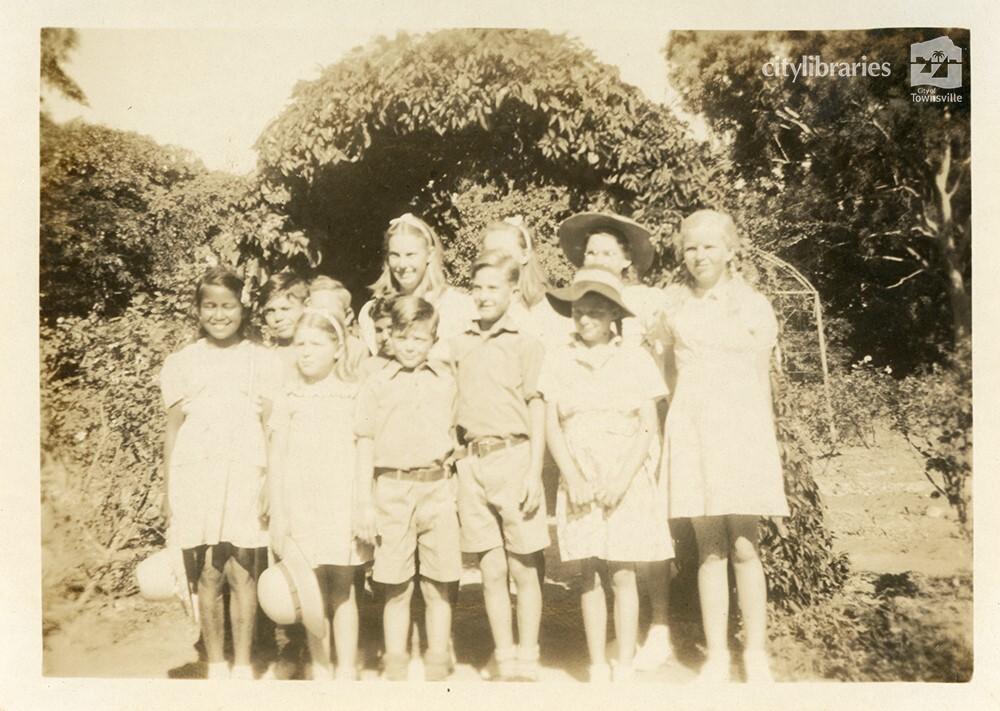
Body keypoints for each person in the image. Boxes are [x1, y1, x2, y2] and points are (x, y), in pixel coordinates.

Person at [659, 210, 789, 683]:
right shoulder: (673, 308)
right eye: (691, 247)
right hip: (693, 429)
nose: (700, 256)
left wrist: (762, 440)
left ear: (730, 251)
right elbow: (669, 376)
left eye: (710, 246)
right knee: (708, 549)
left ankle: (754, 653)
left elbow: (761, 380)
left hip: (741, 430)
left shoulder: (753, 306)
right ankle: (716, 655)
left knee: (743, 546)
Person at [539, 266, 674, 683]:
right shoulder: (559, 359)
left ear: (613, 315)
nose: (585, 319)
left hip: (625, 478)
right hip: (578, 476)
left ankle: (625, 663)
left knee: (623, 571)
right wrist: (574, 478)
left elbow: (649, 425)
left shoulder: (634, 358)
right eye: (580, 311)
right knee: (588, 572)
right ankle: (597, 661)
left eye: (596, 311)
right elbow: (551, 426)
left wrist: (622, 480)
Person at [160, 267, 282, 680]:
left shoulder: (260, 361)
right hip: (198, 477)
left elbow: (270, 427)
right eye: (210, 306)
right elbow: (174, 429)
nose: (219, 314)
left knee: (242, 570)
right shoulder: (183, 363)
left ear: (242, 308)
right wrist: (168, 490)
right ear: (197, 310)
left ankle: (244, 665)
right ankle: (215, 664)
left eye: (227, 306)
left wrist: (271, 482)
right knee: (209, 572)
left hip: (246, 475)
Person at [449, 250, 548, 681]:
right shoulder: (458, 343)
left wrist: (534, 472)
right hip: (473, 463)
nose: (484, 296)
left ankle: (529, 653)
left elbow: (538, 407)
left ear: (512, 290)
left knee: (524, 565)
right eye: (478, 287)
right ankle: (503, 654)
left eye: (494, 288)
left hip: (516, 458)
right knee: (490, 567)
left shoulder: (526, 344)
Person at [352, 296, 462, 681]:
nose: (410, 346)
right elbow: (364, 440)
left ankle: (436, 658)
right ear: (390, 338)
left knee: (439, 583)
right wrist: (364, 501)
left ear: (433, 339)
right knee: (395, 584)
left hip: (436, 489)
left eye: (419, 339)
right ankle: (395, 660)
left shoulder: (447, 380)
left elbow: (456, 435)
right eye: (402, 337)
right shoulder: (376, 383)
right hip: (392, 489)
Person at [267, 308, 371, 681]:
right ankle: (320, 667)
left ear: (338, 348)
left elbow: (363, 454)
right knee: (309, 590)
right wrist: (279, 513)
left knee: (342, 590)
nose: (305, 351)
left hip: (340, 504)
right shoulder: (289, 395)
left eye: (315, 343)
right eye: (299, 344)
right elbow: (276, 459)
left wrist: (363, 506)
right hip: (301, 507)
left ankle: (345, 670)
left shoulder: (353, 394)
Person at [357, 213, 477, 360]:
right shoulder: (372, 312)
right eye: (395, 255)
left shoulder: (457, 307)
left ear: (429, 254)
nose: (402, 265)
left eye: (410, 255)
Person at [479, 217, 571, 350]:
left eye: (503, 253)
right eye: (489, 254)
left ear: (525, 255)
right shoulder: (480, 307)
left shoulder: (550, 309)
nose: (495, 261)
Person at [259, 271, 309, 380]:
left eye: (285, 309)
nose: (277, 318)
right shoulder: (264, 357)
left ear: (306, 306)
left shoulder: (323, 352)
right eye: (270, 311)